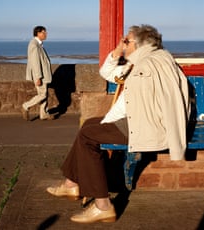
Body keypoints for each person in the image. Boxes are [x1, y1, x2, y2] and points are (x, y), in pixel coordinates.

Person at [46, 24, 191, 223]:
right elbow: (108, 74)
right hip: (141, 120)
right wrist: (117, 51)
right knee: (89, 124)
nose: (124, 44)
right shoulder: (148, 60)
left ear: (139, 44)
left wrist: (175, 142)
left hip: (145, 125)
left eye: (127, 41)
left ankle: (102, 205)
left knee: (88, 136)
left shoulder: (146, 66)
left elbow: (150, 102)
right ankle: (71, 184)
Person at [21, 26, 53, 121]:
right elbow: (35, 62)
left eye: (45, 32)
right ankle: (25, 106)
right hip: (40, 75)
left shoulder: (38, 44)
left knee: (44, 94)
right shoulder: (34, 45)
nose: (45, 34)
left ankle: (44, 114)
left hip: (42, 74)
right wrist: (38, 77)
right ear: (38, 33)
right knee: (42, 95)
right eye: (43, 32)